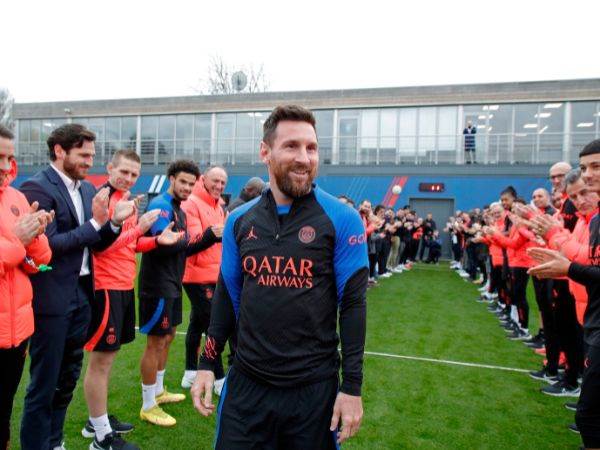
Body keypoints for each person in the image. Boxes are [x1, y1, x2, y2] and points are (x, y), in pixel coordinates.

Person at [191, 105, 369, 449]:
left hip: (313, 393)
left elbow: (353, 305)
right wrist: (207, 362)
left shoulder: (342, 219)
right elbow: (227, 295)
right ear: (265, 151)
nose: (304, 157)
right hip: (246, 386)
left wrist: (352, 387)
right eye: (291, 146)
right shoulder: (240, 221)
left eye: (312, 148)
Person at [20, 124, 137, 450]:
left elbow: (96, 244)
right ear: (60, 150)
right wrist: (99, 222)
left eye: (92, 155)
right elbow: (52, 244)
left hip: (83, 294)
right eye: (83, 154)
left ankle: (55, 442)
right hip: (52, 299)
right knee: (44, 384)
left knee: (67, 378)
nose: (89, 161)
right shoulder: (38, 187)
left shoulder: (88, 190)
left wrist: (114, 223)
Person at [82, 150, 183, 450]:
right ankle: (100, 436)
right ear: (110, 168)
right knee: (100, 361)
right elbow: (100, 248)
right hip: (105, 286)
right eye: (123, 172)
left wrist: (153, 239)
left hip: (124, 285)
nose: (128, 178)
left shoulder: (128, 202)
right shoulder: (102, 201)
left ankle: (95, 420)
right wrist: (137, 230)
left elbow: (130, 245)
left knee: (108, 358)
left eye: (134, 174)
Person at [138, 159, 221, 427]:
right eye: (182, 181)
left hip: (172, 281)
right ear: (171, 179)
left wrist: (193, 238)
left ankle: (159, 391)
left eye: (190, 183)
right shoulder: (161, 206)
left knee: (169, 336)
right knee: (155, 342)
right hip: (157, 284)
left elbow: (181, 245)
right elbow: (163, 244)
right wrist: (192, 238)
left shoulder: (178, 209)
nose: (186, 187)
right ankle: (148, 404)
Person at [528, 140, 600, 449]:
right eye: (585, 168)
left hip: (588, 306)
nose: (588, 177)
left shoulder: (588, 220)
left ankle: (568, 375)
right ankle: (566, 371)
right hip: (588, 306)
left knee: (590, 417)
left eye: (594, 167)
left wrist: (564, 258)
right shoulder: (589, 220)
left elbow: (583, 258)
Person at [0, 125, 53, 450]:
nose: (5, 166)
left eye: (9, 158)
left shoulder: (17, 197)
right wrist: (17, 242)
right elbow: (13, 250)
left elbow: (41, 259)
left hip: (16, 332)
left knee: (3, 413)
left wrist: (34, 235)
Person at [180, 166, 227, 391]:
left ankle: (190, 372)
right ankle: (218, 379)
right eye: (215, 181)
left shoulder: (219, 206)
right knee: (213, 325)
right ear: (203, 180)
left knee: (197, 323)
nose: (219, 186)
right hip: (196, 275)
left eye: (223, 183)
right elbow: (191, 243)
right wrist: (214, 232)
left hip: (214, 274)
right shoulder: (191, 204)